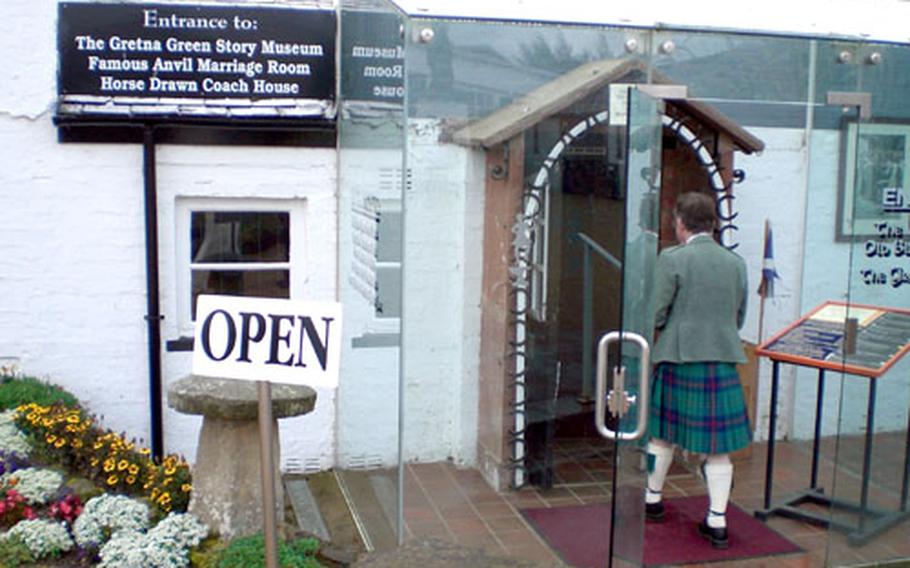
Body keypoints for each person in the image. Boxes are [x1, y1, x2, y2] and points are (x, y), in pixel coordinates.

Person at [643, 191, 751, 550]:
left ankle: (652, 500)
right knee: (718, 448)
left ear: (680, 223)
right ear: (713, 224)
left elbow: (656, 313)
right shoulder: (736, 263)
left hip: (678, 358)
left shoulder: (672, 258)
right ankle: (717, 521)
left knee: (661, 436)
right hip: (720, 361)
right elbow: (738, 316)